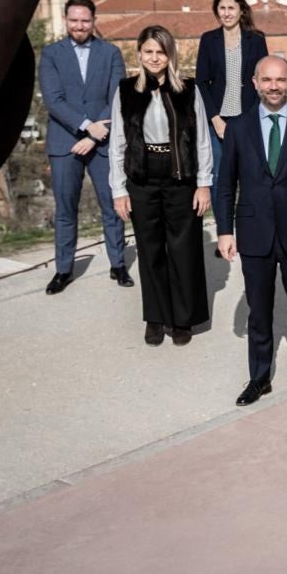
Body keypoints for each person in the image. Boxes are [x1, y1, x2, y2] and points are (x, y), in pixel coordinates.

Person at [217, 56, 287, 407]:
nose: (274, 86)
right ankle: (259, 377)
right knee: (259, 311)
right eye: (266, 79)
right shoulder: (237, 128)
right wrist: (224, 230)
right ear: (254, 82)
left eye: (280, 79)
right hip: (254, 233)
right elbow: (225, 185)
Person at [108, 25, 214, 346]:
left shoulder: (189, 90)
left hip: (180, 178)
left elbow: (202, 141)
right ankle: (155, 317)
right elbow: (117, 142)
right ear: (139, 54)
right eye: (149, 51)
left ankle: (182, 319)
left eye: (161, 52)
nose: (155, 58)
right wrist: (119, 189)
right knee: (150, 248)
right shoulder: (126, 90)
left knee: (183, 249)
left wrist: (204, 184)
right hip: (142, 177)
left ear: (170, 55)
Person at [39, 0, 130, 294]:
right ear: (66, 20)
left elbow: (117, 96)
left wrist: (94, 135)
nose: (79, 25)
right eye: (74, 20)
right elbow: (54, 101)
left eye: (85, 20)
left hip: (103, 141)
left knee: (113, 204)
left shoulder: (111, 53)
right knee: (66, 209)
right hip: (64, 143)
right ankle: (63, 269)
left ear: (94, 22)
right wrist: (84, 126)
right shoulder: (51, 54)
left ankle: (118, 264)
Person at [195, 0, 269, 253]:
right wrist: (215, 118)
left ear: (241, 10)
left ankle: (251, 230)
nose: (227, 13)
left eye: (231, 8)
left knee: (250, 176)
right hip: (218, 120)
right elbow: (201, 83)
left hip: (247, 119)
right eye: (222, 8)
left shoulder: (256, 40)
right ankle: (224, 231)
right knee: (219, 179)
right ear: (217, 11)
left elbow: (263, 78)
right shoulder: (209, 39)